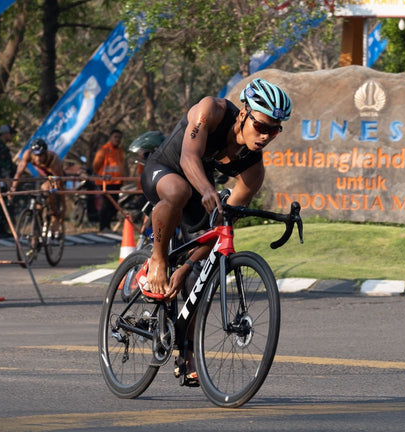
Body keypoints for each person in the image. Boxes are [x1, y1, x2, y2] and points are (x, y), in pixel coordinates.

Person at [138, 77, 292, 301]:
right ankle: (158, 259)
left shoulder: (254, 171)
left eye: (274, 131)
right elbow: (188, 158)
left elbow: (223, 227)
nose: (266, 136)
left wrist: (189, 266)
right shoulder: (212, 110)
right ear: (242, 115)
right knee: (180, 190)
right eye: (260, 126)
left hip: (198, 189)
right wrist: (208, 190)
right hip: (163, 170)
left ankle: (186, 336)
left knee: (201, 275)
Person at [11, 138, 66, 233]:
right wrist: (13, 188)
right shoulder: (27, 154)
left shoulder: (53, 160)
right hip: (41, 176)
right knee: (38, 203)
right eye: (35, 155)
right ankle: (37, 226)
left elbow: (59, 183)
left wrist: (64, 207)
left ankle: (53, 215)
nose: (38, 159)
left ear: (45, 153)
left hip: (55, 176)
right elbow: (19, 172)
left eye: (40, 155)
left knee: (47, 190)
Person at [92, 129, 127, 231]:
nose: (118, 139)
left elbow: (122, 166)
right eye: (115, 137)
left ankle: (107, 225)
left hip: (116, 182)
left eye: (119, 138)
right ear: (110, 137)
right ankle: (103, 226)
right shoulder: (104, 149)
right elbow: (96, 165)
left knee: (114, 206)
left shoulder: (120, 151)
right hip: (105, 182)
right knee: (106, 205)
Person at [0, 124, 17, 236]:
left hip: (4, 178)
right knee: (1, 205)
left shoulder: (1, 146)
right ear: (5, 134)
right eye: (10, 134)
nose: (11, 136)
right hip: (2, 179)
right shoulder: (0, 147)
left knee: (3, 205)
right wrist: (8, 183)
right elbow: (4, 168)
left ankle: (2, 229)